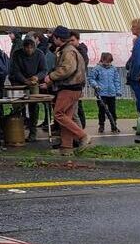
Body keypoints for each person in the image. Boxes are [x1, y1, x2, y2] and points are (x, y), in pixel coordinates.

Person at [44, 26, 92, 155]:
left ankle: (82, 136)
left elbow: (67, 69)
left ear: (58, 38)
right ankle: (66, 148)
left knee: (58, 114)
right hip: (74, 88)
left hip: (69, 87)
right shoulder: (68, 49)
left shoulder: (68, 51)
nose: (53, 40)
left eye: (54, 38)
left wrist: (51, 77)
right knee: (67, 117)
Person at [10, 37, 48, 141]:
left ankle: (33, 132)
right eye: (27, 48)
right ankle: (16, 131)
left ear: (35, 47)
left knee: (34, 106)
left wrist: (37, 77)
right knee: (17, 106)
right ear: (23, 47)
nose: (29, 50)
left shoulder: (40, 54)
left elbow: (44, 70)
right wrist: (24, 80)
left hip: (34, 81)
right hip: (18, 82)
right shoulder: (17, 54)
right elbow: (15, 70)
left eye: (31, 48)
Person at [87, 52, 122, 134]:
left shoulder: (113, 69)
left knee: (112, 110)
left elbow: (116, 80)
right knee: (102, 110)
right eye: (107, 61)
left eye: (110, 62)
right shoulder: (97, 68)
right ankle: (101, 125)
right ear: (102, 60)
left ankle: (114, 125)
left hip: (111, 93)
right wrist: (95, 85)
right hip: (101, 93)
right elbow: (91, 78)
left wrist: (118, 90)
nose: (108, 63)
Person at [70, 31, 90, 129]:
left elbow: (83, 66)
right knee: (77, 107)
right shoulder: (75, 50)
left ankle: (81, 128)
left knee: (77, 107)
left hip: (78, 82)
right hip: (77, 81)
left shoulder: (81, 51)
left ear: (78, 40)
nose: (71, 42)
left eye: (73, 40)